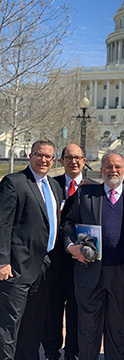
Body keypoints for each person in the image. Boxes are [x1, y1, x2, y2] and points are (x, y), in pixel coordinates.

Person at [62, 150, 124, 360]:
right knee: (88, 329)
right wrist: (71, 246)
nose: (113, 171)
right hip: (89, 271)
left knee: (119, 329)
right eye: (108, 167)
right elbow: (68, 223)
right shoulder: (85, 194)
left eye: (117, 167)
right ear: (101, 170)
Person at [0, 139, 63, 360]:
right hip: (16, 267)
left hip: (43, 268)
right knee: (9, 324)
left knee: (34, 324)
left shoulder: (55, 186)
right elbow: (3, 224)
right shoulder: (14, 182)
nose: (44, 160)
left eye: (49, 156)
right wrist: (2, 261)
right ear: (30, 156)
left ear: (54, 160)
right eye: (40, 154)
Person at [43, 144, 89, 360]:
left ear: (85, 160)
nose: (74, 161)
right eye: (69, 157)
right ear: (60, 161)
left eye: (78, 158)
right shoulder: (50, 185)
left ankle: (73, 352)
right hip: (54, 261)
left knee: (76, 312)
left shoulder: (93, 189)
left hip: (81, 262)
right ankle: (51, 352)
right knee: (52, 310)